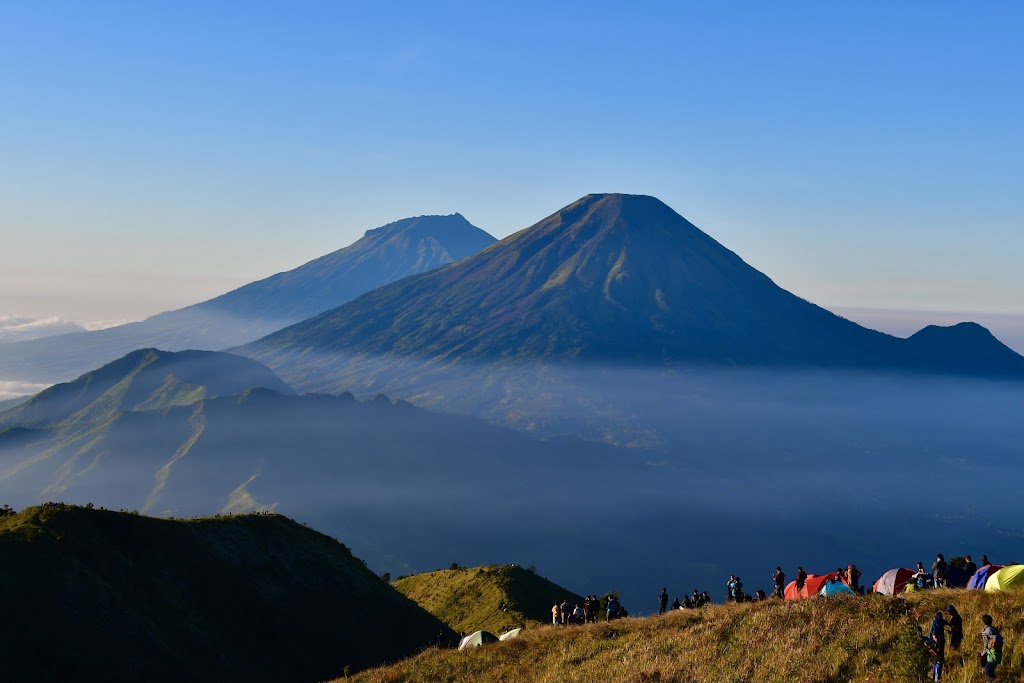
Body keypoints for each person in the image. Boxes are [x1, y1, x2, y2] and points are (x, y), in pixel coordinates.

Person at [981, 614, 1003, 683]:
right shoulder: (992, 629)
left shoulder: (988, 630)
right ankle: (993, 680)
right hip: (994, 652)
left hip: (993, 653)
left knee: (987, 669)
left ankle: (990, 681)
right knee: (989, 669)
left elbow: (991, 641)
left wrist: (985, 651)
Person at [929, 611, 947, 681]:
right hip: (941, 640)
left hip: (935, 642)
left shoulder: (934, 623)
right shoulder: (942, 621)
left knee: (936, 672)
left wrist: (930, 642)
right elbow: (947, 623)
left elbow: (931, 632)